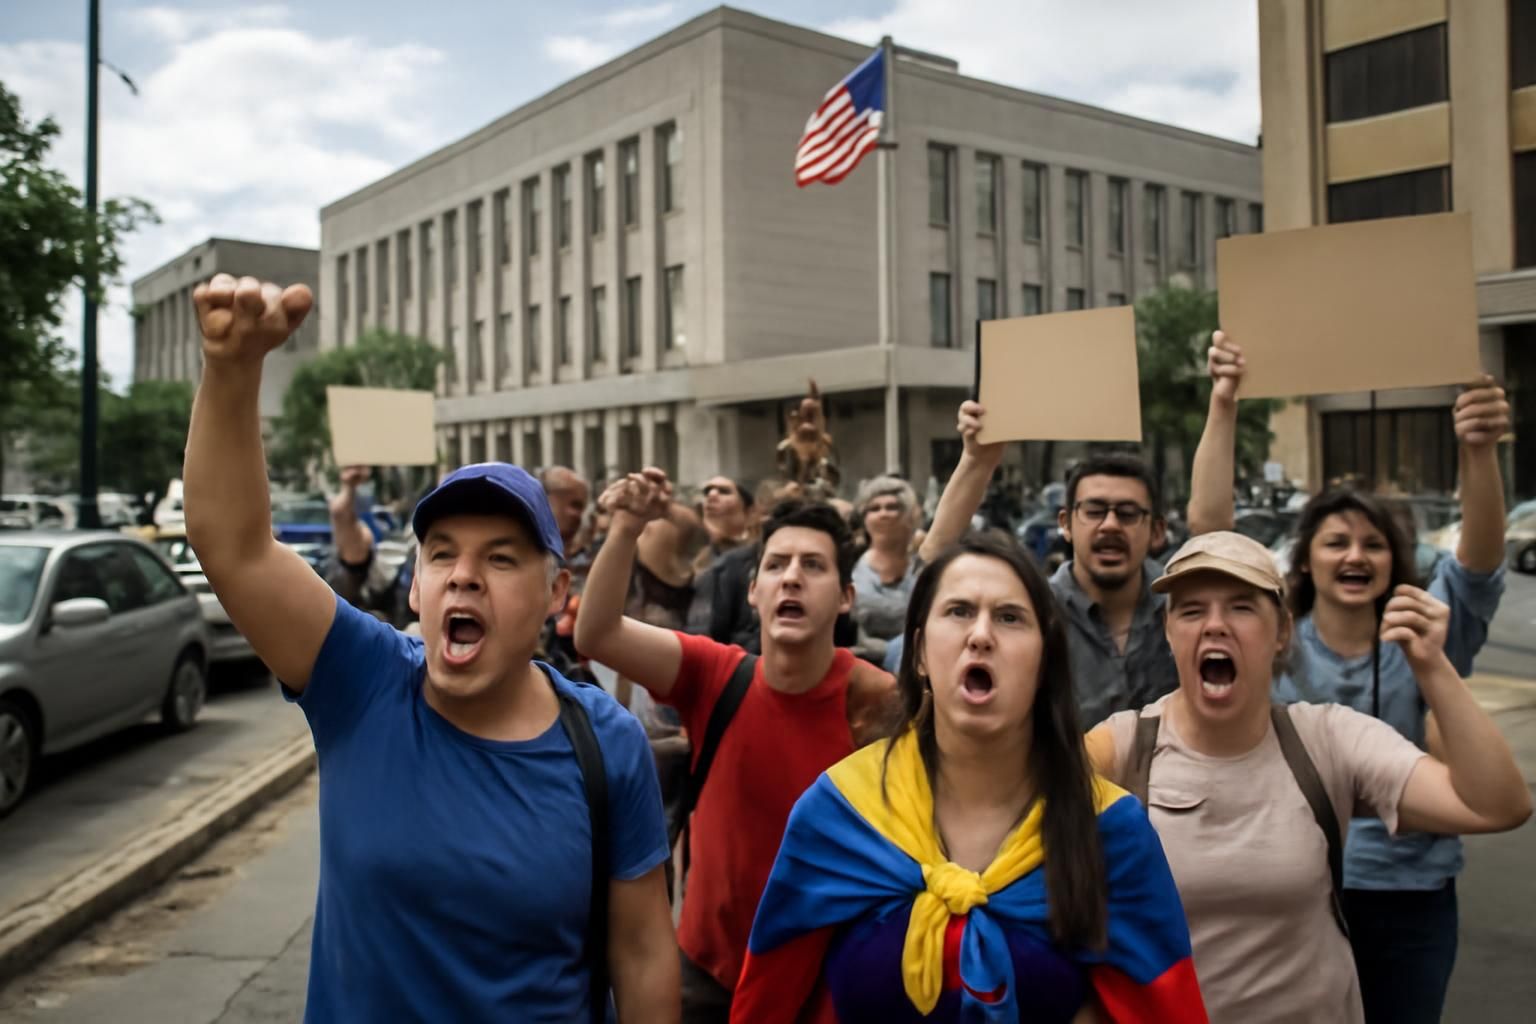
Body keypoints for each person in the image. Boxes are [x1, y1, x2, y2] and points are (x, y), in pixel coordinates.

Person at [182, 274, 677, 1021]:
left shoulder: (606, 743)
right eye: (441, 555)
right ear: (415, 588)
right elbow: (236, 548)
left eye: (502, 559)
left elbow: (641, 952)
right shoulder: (362, 683)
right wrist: (230, 370)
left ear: (555, 594)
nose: (464, 578)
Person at [733, 534, 1206, 1023]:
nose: (980, 635)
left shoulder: (1109, 830)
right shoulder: (838, 813)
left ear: (1045, 661)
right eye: (958, 611)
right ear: (917, 653)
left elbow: (1165, 1006)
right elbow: (768, 1004)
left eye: (1008, 617)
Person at [1188, 333, 1513, 1023]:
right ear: (1304, 562)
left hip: (1410, 898)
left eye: (1372, 543)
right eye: (1337, 541)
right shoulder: (1273, 639)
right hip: (1293, 890)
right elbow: (1209, 530)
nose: (1356, 554)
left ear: (1393, 562)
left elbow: (1481, 561)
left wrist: (1478, 449)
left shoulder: (1425, 630)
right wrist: (1224, 403)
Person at [1083, 531, 1530, 1024]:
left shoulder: (1328, 739)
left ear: (1281, 633)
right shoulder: (1121, 751)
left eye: (1241, 608)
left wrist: (1432, 666)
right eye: (1191, 610)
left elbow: (1497, 804)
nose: (1215, 626)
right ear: (1169, 633)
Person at [575, 470, 899, 1022]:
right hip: (707, 975)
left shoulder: (880, 703)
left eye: (813, 566)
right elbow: (596, 634)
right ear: (753, 591)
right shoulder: (716, 675)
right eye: (775, 565)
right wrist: (626, 528)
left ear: (847, 597)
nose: (791, 578)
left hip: (823, 980)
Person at [914, 401, 1177, 725]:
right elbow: (926, 594)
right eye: (1094, 511)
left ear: (1157, 530)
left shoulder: (1183, 604)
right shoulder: (1032, 609)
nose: (1110, 525)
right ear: (1065, 523)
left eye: (1127, 514)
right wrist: (975, 463)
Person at [850, 476, 923, 665]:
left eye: (892, 507)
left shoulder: (924, 569)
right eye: (874, 508)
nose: (883, 514)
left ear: (909, 515)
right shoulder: (849, 568)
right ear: (864, 518)